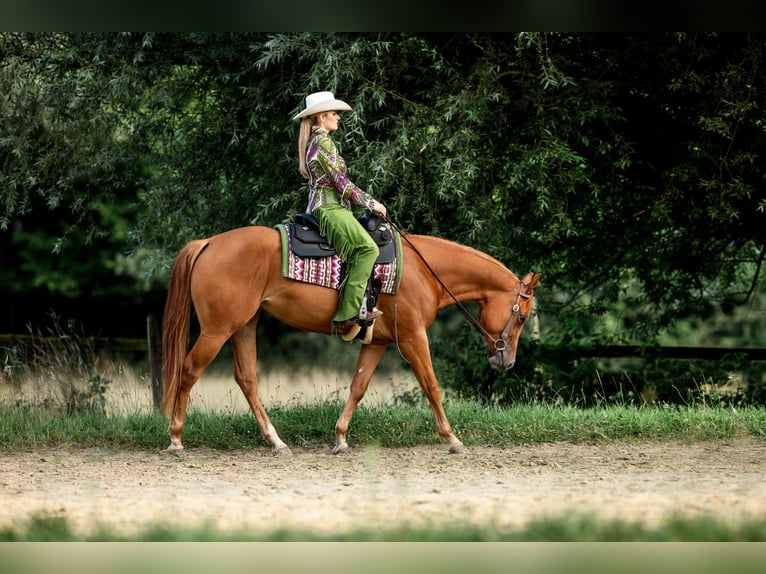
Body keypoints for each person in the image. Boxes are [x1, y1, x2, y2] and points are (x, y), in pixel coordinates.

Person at [293, 91, 388, 333]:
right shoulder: (323, 142)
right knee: (368, 249)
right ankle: (350, 313)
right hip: (330, 206)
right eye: (334, 113)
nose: (338, 117)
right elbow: (341, 183)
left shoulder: (317, 141)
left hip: (328, 205)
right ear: (322, 117)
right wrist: (371, 203)